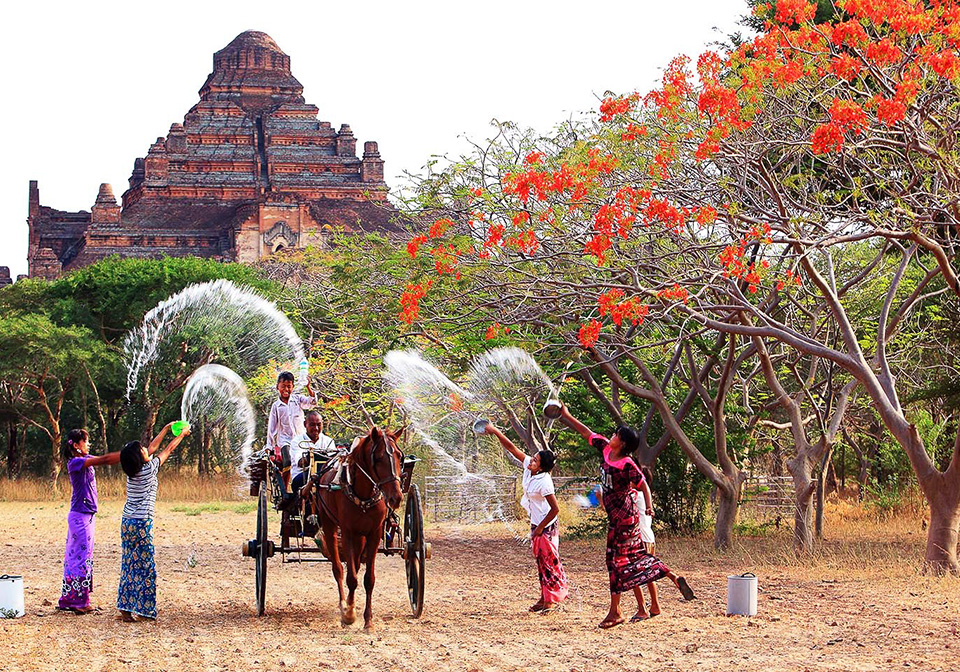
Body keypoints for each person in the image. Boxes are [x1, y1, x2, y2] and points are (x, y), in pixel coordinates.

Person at [557, 404, 695, 628]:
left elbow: (643, 485)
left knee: (616, 563)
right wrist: (567, 415)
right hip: (618, 519)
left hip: (625, 520)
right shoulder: (605, 450)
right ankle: (671, 576)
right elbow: (586, 432)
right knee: (632, 559)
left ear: (622, 443)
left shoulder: (627, 463)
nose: (611, 436)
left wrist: (649, 506)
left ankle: (616, 611)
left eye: (616, 435)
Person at [483, 422, 568, 614]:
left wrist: (540, 528)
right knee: (541, 562)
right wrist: (496, 431)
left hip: (546, 526)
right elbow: (512, 449)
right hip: (537, 523)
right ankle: (544, 597)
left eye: (535, 461)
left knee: (548, 563)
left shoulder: (544, 482)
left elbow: (555, 509)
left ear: (541, 467)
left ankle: (551, 601)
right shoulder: (530, 470)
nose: (531, 461)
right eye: (533, 459)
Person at [115, 421, 190, 622]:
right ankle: (144, 610)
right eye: (143, 450)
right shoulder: (149, 469)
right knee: (146, 566)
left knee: (129, 564)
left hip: (127, 523)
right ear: (141, 458)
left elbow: (153, 448)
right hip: (141, 524)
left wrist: (165, 429)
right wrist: (181, 434)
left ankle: (125, 607)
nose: (147, 450)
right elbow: (167, 449)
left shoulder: (133, 472)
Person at [57, 428, 121, 614]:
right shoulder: (76, 462)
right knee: (79, 558)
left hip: (86, 515)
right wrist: (127, 454)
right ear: (76, 446)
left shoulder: (84, 459)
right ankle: (79, 601)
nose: (88, 444)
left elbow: (102, 459)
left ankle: (72, 598)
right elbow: (105, 460)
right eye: (86, 441)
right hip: (80, 516)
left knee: (78, 557)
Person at [266, 371, 316, 488]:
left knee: (309, 461)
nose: (286, 389)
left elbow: (312, 402)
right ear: (277, 386)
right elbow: (272, 427)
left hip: (300, 439)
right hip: (285, 440)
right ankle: (285, 489)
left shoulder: (298, 399)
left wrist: (308, 387)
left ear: (293, 387)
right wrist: (269, 446)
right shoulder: (276, 406)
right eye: (283, 386)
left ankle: (307, 486)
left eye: (289, 386)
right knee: (288, 460)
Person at [289, 410, 338, 501]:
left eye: (318, 425)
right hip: (302, 476)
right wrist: (311, 456)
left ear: (322, 424)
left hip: (324, 476)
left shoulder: (328, 441)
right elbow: (300, 463)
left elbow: (333, 463)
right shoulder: (297, 441)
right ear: (305, 424)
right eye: (312, 425)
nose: (316, 428)